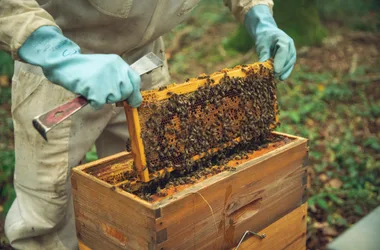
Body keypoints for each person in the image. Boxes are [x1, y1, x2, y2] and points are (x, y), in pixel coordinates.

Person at [0, 1, 296, 249]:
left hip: (144, 65)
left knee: (150, 196)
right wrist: (59, 56)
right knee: (45, 216)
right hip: (60, 68)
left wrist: (260, 18)